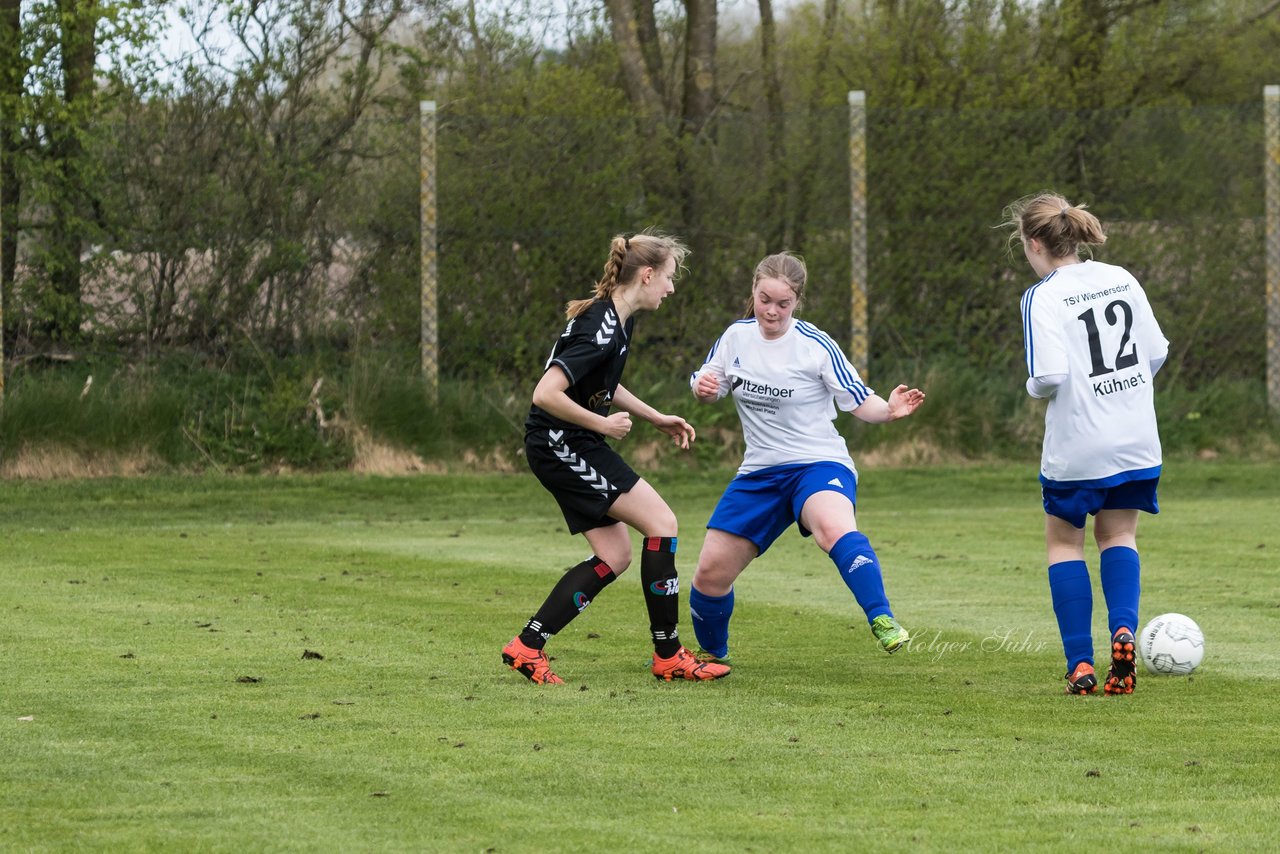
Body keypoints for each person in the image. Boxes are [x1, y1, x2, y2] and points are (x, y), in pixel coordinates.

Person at [502, 232, 731, 685]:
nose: (670, 288)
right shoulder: (601, 324)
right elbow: (545, 393)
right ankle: (668, 655)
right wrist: (603, 424)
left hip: (572, 440)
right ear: (646, 275)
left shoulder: (618, 319)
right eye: (668, 278)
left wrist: (654, 417)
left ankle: (527, 647)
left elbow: (603, 381)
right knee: (662, 524)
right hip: (559, 442)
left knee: (615, 554)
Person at [686, 252, 925, 666]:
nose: (772, 311)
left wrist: (889, 410)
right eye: (765, 300)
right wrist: (702, 387)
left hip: (818, 462)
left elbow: (858, 400)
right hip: (760, 471)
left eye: (783, 303)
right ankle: (713, 655)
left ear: (797, 301)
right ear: (754, 293)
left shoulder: (815, 345)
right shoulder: (735, 337)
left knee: (832, 529)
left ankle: (882, 618)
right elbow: (709, 379)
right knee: (710, 575)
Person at [1008, 191, 1169, 696]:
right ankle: (1123, 630)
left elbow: (1048, 375)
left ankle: (1081, 663)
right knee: (1119, 537)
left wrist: (1034, 387)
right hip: (1137, 440)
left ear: (1035, 243)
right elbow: (1157, 353)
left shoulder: (1043, 295)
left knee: (1064, 543)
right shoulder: (1120, 277)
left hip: (1079, 444)